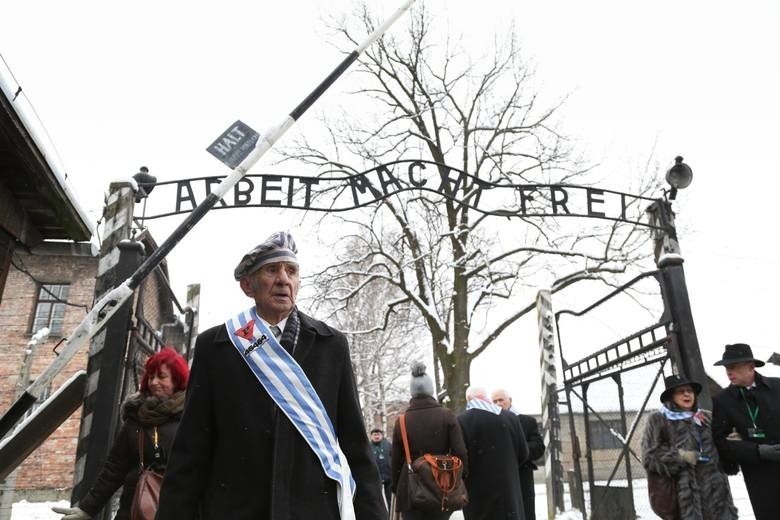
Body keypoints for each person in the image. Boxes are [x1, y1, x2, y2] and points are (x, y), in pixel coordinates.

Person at [156, 231, 386, 519]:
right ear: (247, 285)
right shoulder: (217, 347)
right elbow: (191, 449)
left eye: (291, 271)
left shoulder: (331, 347)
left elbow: (357, 449)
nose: (283, 279)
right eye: (271, 269)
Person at [52, 348, 189, 520]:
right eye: (151, 376)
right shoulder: (137, 417)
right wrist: (88, 508)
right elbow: (114, 468)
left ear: (177, 380)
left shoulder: (191, 418)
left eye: (161, 377)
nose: (154, 382)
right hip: (134, 511)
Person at [641, 374, 737, 520]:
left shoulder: (706, 417)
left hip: (716, 494)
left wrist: (732, 442)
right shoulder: (658, 419)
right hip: (683, 496)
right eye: (681, 391)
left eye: (690, 391)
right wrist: (682, 456)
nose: (687, 394)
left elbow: (722, 442)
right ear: (671, 397)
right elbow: (649, 456)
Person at [711, 343, 780, 520]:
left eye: (733, 367)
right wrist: (756, 451)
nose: (728, 372)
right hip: (760, 476)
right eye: (726, 367)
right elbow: (720, 441)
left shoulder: (777, 387)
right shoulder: (723, 400)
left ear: (750, 367)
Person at [390, 363, 468, 520]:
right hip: (442, 482)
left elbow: (396, 459)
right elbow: (460, 451)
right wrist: (460, 476)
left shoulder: (402, 421)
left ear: (412, 392)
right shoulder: (447, 415)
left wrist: (396, 485)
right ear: (431, 390)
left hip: (411, 486)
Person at [457, 386, 528, 520]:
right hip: (509, 495)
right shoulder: (511, 418)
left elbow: (460, 461)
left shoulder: (461, 421)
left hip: (478, 497)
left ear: (468, 400)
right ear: (487, 398)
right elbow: (523, 454)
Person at [492, 388, 545, 520]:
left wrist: (516, 450)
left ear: (510, 400)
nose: (498, 403)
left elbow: (539, 447)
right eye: (494, 401)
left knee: (524, 514)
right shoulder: (489, 422)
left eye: (501, 400)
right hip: (497, 480)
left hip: (521, 477)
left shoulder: (527, 422)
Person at [370, 428, 393, 511]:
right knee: (376, 499)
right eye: (374, 435)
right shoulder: (368, 447)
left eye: (378, 434)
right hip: (375, 478)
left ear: (382, 435)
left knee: (389, 498)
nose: (376, 436)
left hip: (388, 476)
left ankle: (390, 515)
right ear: (371, 436)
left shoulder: (388, 445)